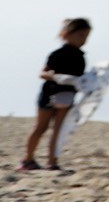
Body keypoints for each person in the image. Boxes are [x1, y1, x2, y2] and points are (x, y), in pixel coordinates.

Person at [19, 17, 93, 172]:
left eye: (86, 37)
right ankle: (28, 159)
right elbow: (43, 73)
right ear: (67, 34)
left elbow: (80, 79)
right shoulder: (58, 54)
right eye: (81, 36)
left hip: (67, 96)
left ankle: (53, 162)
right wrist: (57, 77)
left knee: (59, 130)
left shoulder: (81, 57)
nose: (83, 40)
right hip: (49, 94)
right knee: (41, 127)